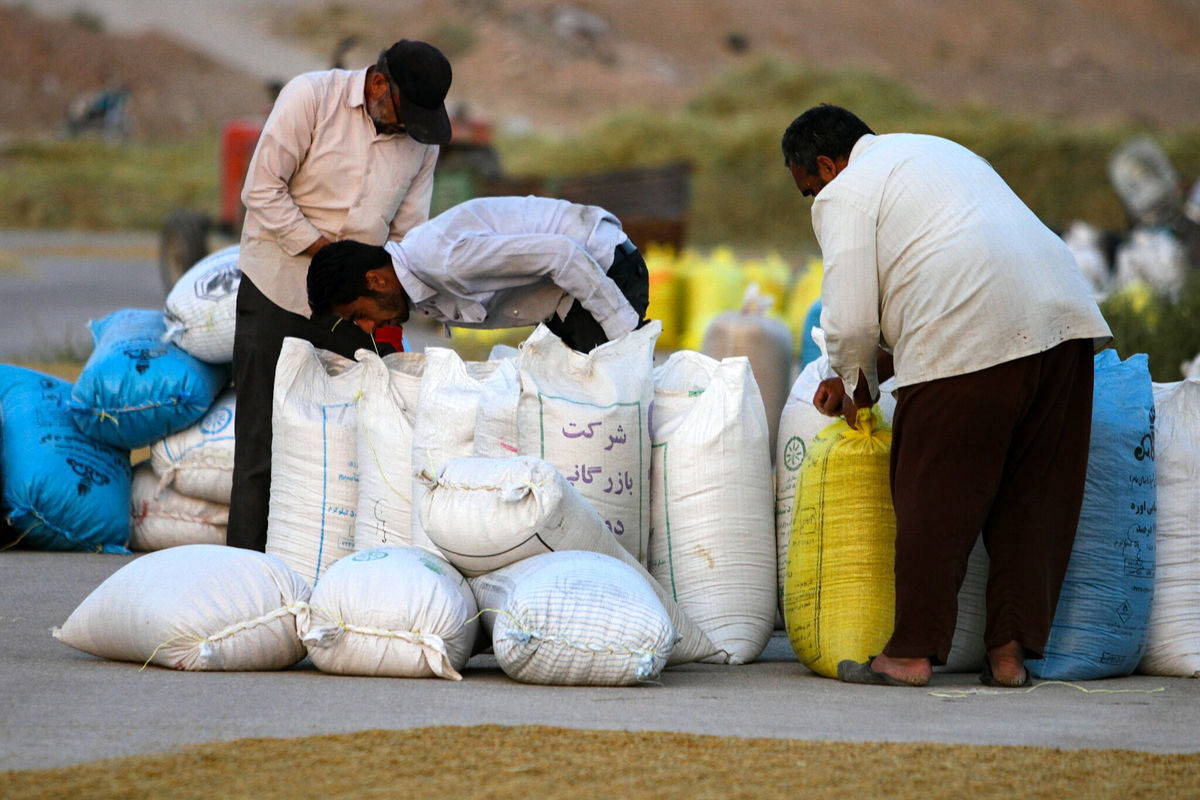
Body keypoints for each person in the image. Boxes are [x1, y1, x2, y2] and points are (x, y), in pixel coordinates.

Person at [781, 104, 1112, 688]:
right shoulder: (937, 153)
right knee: (1033, 498)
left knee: (933, 490)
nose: (814, 201)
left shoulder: (845, 191)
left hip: (970, 325)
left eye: (808, 189)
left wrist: (856, 385)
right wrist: (863, 370)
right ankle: (1009, 657)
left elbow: (852, 320)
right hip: (1065, 321)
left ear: (827, 167)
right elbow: (949, 265)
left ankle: (909, 653)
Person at [228, 40, 453, 552]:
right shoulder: (310, 97)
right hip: (276, 290)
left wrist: (384, 291)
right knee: (261, 445)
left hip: (357, 307)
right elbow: (262, 190)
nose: (408, 130)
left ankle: (342, 577)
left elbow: (409, 233)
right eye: (404, 115)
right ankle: (246, 576)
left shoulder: (420, 143)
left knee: (362, 445)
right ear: (378, 85)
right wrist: (331, 257)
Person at [306, 195, 650, 353]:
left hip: (604, 268)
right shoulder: (416, 284)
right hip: (564, 298)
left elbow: (564, 256)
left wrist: (626, 340)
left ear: (375, 280)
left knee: (603, 410)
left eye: (361, 315)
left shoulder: (442, 260)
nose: (368, 327)